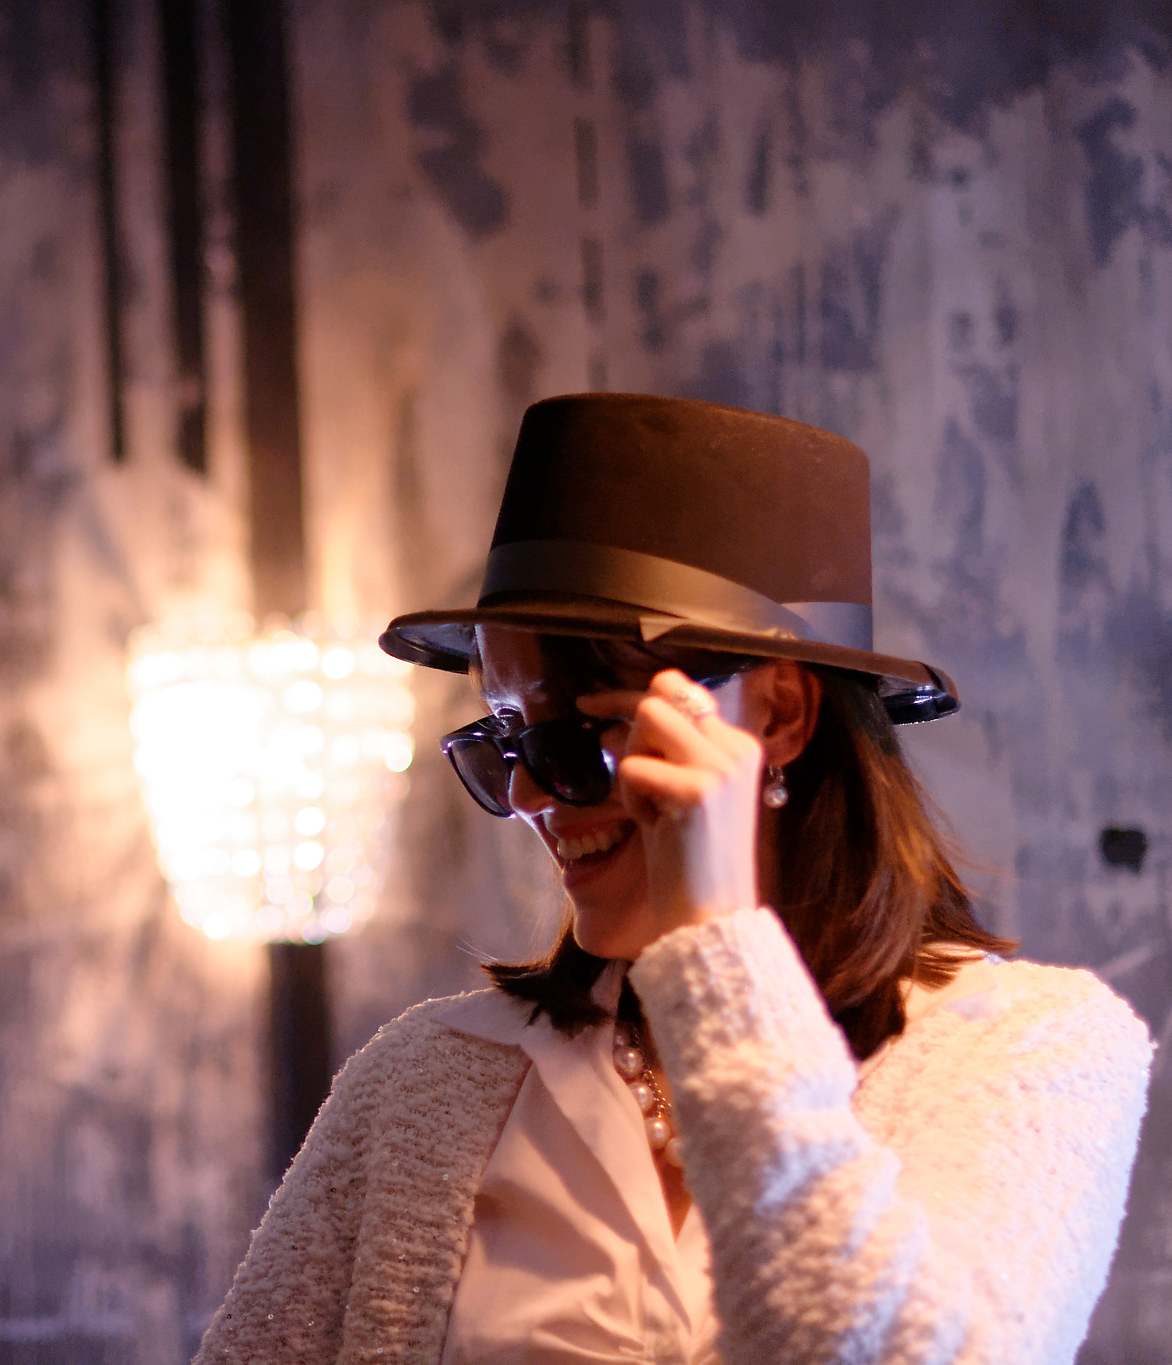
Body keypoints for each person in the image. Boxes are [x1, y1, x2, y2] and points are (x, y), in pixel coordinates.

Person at [194, 394, 1152, 1365]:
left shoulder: (1036, 1048)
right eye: (507, 738)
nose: (526, 793)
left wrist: (716, 949)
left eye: (575, 736)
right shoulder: (425, 1080)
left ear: (777, 716)